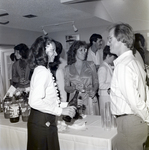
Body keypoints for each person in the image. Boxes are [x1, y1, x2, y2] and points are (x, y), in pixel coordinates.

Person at [27, 35, 76, 150]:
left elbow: (48, 98)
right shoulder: (42, 72)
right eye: (52, 50)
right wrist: (60, 110)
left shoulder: (43, 70)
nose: (56, 54)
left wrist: (65, 107)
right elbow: (34, 101)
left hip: (44, 120)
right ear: (43, 52)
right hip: (42, 122)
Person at [108, 23, 149, 150]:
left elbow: (134, 101)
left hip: (130, 123)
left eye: (110, 39)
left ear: (120, 40)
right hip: (135, 122)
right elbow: (146, 92)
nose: (108, 43)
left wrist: (147, 118)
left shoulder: (123, 66)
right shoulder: (134, 62)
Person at [64, 40, 99, 115]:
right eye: (81, 50)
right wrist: (74, 87)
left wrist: (94, 90)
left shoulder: (91, 64)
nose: (84, 52)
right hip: (75, 99)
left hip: (89, 98)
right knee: (76, 124)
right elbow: (66, 87)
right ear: (75, 52)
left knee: (92, 122)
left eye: (85, 50)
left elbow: (96, 82)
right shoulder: (68, 68)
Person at [98, 45, 117, 115]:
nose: (114, 59)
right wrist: (114, 84)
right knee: (106, 116)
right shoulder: (103, 68)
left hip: (108, 96)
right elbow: (101, 85)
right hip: (104, 97)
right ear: (108, 56)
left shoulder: (108, 66)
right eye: (113, 57)